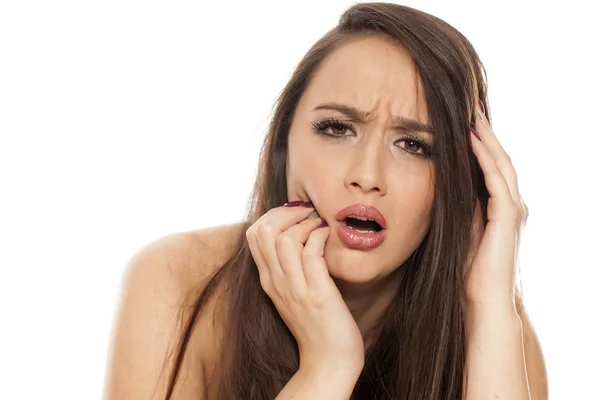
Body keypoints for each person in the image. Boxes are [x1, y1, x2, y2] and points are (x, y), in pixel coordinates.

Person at [102, 2, 548, 399]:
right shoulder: (179, 281)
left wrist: (490, 305)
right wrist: (328, 365)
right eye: (337, 128)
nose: (367, 177)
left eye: (414, 145)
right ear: (285, 143)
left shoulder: (493, 325)